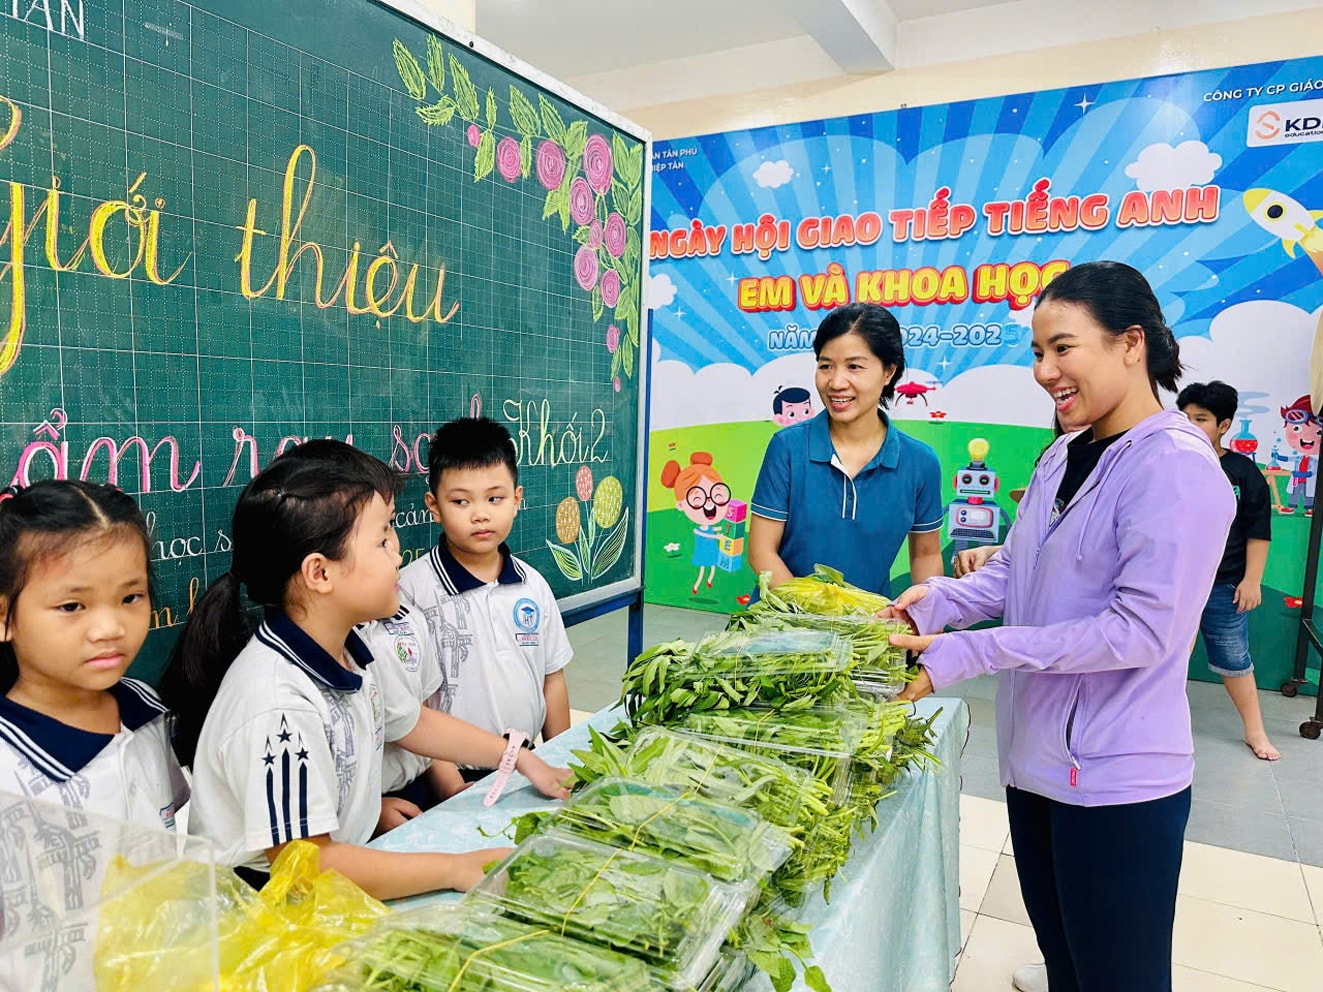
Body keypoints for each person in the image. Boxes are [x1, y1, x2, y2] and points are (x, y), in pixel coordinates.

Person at [885, 261, 1235, 992]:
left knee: (1118, 977)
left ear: (1129, 343)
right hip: (1036, 764)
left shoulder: (1174, 467)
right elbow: (1015, 572)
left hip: (1117, 784)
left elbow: (1139, 631)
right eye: (1037, 352)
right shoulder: (1061, 456)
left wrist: (969, 652)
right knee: (1064, 964)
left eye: (1062, 348)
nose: (1044, 371)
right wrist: (934, 602)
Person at [161, 440, 569, 901]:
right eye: (381, 538)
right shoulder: (276, 702)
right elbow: (306, 869)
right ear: (320, 573)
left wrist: (520, 757)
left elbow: (409, 721)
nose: (397, 553)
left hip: (328, 890)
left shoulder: (350, 648)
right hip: (265, 916)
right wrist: (454, 868)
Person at [398, 418, 572, 798]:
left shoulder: (532, 584)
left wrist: (560, 754)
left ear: (516, 499)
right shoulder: (412, 592)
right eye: (461, 501)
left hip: (530, 766)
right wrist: (451, 787)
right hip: (451, 776)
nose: (480, 514)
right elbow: (414, 708)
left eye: (495, 498)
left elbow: (551, 678)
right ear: (434, 506)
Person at [0, 480, 187, 827]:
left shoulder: (143, 709)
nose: (110, 628)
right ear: (4, 618)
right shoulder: (7, 766)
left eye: (130, 598)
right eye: (72, 606)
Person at [749, 302, 944, 597]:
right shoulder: (787, 448)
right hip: (782, 625)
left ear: (888, 372)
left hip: (867, 632)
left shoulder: (920, 463)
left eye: (854, 366)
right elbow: (762, 553)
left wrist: (928, 621)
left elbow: (926, 556)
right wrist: (816, 621)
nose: (836, 382)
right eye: (826, 366)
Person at [1177, 381, 1279, 761]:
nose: (1190, 425)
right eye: (1184, 417)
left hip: (1225, 586)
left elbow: (1258, 530)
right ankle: (1154, 727)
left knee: (1234, 660)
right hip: (1175, 585)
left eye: (1200, 419)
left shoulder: (1243, 471)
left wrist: (1251, 580)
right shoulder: (1168, 461)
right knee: (1167, 657)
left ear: (1224, 424)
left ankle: (1256, 732)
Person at [660, 452, 732, 595]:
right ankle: (697, 586)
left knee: (712, 566)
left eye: (717, 495)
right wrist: (717, 536)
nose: (710, 501)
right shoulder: (698, 530)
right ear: (681, 505)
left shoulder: (712, 523)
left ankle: (709, 581)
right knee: (702, 569)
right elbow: (704, 533)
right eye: (698, 499)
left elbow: (714, 529)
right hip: (703, 552)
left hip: (712, 550)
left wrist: (721, 529)